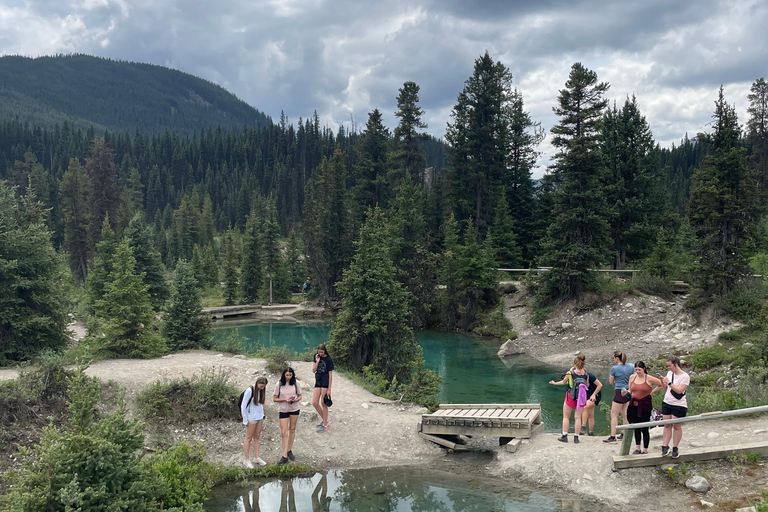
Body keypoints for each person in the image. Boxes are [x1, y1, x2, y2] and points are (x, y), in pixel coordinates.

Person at [549, 354, 596, 443]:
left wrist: (554, 383)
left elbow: (564, 382)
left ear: (575, 363)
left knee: (566, 417)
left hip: (570, 396)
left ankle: (564, 436)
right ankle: (576, 437)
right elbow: (587, 385)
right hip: (581, 398)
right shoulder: (586, 374)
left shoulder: (570, 373)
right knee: (578, 417)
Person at [622, 361, 663, 454]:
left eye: (639, 370)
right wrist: (625, 393)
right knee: (636, 426)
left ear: (644, 369)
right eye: (636, 369)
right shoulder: (632, 377)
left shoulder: (649, 378)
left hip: (644, 405)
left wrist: (652, 392)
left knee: (644, 428)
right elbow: (630, 391)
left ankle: (645, 449)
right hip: (633, 404)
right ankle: (637, 448)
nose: (637, 371)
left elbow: (661, 384)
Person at [660, 355, 689, 458]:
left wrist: (669, 382)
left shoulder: (685, 376)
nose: (668, 368)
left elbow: (679, 390)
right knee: (667, 424)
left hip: (679, 404)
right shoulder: (669, 373)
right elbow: (666, 388)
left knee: (676, 426)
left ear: (675, 365)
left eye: (669, 366)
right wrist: (663, 382)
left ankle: (675, 447)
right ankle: (665, 446)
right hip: (667, 402)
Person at [603, 350, 634, 444]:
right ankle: (624, 433)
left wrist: (615, 386)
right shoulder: (631, 367)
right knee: (625, 413)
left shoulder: (614, 368)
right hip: (628, 391)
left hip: (619, 391)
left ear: (616, 358)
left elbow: (611, 381)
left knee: (614, 414)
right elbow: (633, 378)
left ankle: (613, 436)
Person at [274, 367, 302, 465]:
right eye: (287, 375)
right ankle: (284, 455)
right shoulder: (279, 384)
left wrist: (296, 399)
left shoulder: (296, 383)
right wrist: (285, 400)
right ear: (284, 375)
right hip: (283, 410)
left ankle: (289, 450)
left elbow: (300, 395)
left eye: (290, 375)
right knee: (284, 432)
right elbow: (275, 398)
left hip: (294, 408)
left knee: (292, 429)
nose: (289, 377)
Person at [241, 376, 269, 467]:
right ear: (257, 383)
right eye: (260, 386)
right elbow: (243, 406)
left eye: (263, 387)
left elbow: (260, 405)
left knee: (257, 437)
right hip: (251, 417)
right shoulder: (249, 391)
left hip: (259, 416)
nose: (262, 388)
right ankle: (247, 459)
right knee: (248, 438)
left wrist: (262, 414)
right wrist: (245, 420)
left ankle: (257, 457)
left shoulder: (261, 390)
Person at [312, 344, 334, 433]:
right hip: (318, 380)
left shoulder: (328, 359)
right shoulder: (316, 356)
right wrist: (317, 361)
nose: (320, 354)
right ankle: (325, 420)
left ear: (325, 351)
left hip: (325, 382)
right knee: (314, 402)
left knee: (323, 402)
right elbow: (313, 370)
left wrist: (329, 389)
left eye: (322, 352)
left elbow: (330, 375)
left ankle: (325, 424)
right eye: (319, 352)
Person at [580, 368, 603, 436]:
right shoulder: (578, 378)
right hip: (587, 395)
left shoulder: (590, 376)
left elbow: (600, 385)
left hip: (595, 394)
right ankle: (591, 431)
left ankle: (583, 427)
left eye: (582, 371)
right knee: (590, 414)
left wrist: (593, 395)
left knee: (585, 407)